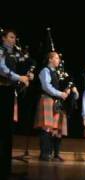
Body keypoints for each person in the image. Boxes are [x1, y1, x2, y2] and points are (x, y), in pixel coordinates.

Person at [34, 51, 79, 162]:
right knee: (47, 127)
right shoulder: (45, 70)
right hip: (48, 99)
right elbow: (46, 86)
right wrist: (60, 94)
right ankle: (44, 153)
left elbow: (64, 84)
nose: (58, 60)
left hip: (56, 102)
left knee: (55, 128)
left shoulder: (58, 73)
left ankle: (52, 154)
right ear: (50, 59)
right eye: (56, 58)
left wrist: (71, 90)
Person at [0, 29, 32, 177]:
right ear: (4, 38)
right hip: (1, 89)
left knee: (7, 130)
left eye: (15, 37)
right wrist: (19, 77)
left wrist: (29, 72)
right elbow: (2, 69)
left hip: (9, 92)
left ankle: (6, 168)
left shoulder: (15, 53)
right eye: (11, 37)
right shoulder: (1, 51)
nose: (14, 40)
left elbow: (26, 62)